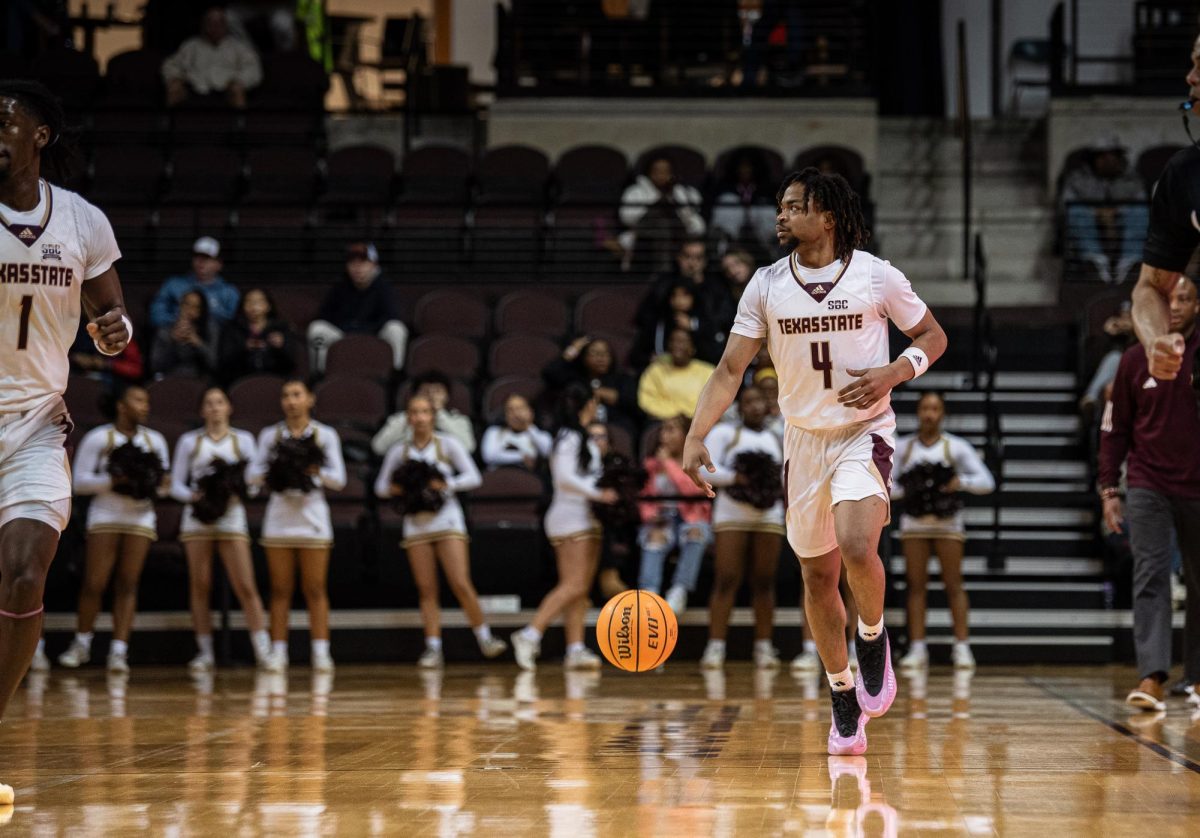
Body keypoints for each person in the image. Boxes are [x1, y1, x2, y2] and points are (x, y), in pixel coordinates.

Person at [682, 167, 946, 756]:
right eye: (780, 206)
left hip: (863, 431)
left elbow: (931, 335)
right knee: (817, 577)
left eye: (795, 206)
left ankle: (873, 637)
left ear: (827, 216)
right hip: (801, 441)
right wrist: (698, 433)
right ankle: (841, 690)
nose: (782, 216)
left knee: (857, 545)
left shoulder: (877, 276)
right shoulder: (766, 284)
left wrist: (897, 370)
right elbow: (730, 370)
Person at [0, 80, 132, 806]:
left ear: (39, 135)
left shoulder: (81, 221)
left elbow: (112, 315)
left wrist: (117, 332)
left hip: (34, 427)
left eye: (4, 118)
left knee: (26, 571)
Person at [1100, 276, 1200, 712]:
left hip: (1198, 486)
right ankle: (1152, 677)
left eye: (1185, 297)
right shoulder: (1134, 361)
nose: (1174, 305)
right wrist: (1109, 488)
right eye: (1167, 297)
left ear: (1198, 305)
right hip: (1147, 484)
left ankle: (1196, 679)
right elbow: (1113, 428)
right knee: (1151, 578)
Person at [374, 394, 508, 667]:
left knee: (460, 582)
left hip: (447, 521)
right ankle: (433, 647)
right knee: (426, 589)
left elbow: (473, 477)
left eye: (424, 412)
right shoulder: (398, 452)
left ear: (432, 416)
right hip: (416, 523)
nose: (420, 417)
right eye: (414, 412)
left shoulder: (448, 445)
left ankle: (484, 638)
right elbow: (380, 486)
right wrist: (396, 489)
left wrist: (444, 484)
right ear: (408, 418)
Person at [59, 385, 170, 674]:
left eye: (147, 400)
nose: (145, 406)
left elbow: (164, 482)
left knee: (128, 584)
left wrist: (149, 483)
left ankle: (119, 651)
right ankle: (82, 644)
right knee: (94, 583)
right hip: (105, 516)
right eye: (138, 399)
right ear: (121, 406)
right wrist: (114, 481)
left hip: (140, 518)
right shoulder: (99, 438)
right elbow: (79, 482)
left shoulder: (155, 441)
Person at [510, 383, 620, 670]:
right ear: (585, 405)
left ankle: (575, 648)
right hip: (569, 516)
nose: (596, 407)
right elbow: (564, 479)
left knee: (581, 589)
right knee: (572, 585)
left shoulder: (582, 437)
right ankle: (529, 634)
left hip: (587, 517)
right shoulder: (568, 437)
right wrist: (600, 494)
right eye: (593, 402)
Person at [169, 387, 272, 672]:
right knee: (200, 585)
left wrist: (238, 490)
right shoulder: (191, 442)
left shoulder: (244, 440)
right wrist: (195, 497)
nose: (214, 408)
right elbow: (176, 484)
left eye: (219, 402)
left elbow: (253, 480)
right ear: (202, 410)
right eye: (209, 403)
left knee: (246, 585)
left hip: (231, 515)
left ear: (229, 408)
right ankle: (205, 652)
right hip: (198, 517)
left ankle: (263, 650)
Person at [247, 379, 346, 673]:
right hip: (279, 518)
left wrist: (313, 472)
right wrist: (276, 470)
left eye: (297, 395)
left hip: (313, 518)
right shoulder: (270, 435)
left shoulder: (324, 435)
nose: (291, 401)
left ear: (310, 400)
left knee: (315, 588)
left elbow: (338, 479)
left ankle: (321, 651)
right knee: (279, 589)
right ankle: (279, 651)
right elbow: (251, 474)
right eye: (286, 396)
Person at [891, 392, 995, 671]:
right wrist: (909, 489)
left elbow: (987, 482)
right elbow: (885, 486)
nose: (929, 414)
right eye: (925, 408)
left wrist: (959, 482)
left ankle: (962, 647)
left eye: (935, 408)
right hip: (914, 524)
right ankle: (917, 648)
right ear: (917, 412)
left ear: (943, 413)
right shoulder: (903, 447)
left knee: (953, 584)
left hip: (948, 525)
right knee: (916, 586)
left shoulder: (956, 447)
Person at [698, 385, 786, 670]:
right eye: (748, 401)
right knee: (726, 578)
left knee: (764, 581)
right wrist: (738, 478)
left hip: (769, 515)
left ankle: (764, 646)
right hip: (731, 514)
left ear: (768, 405)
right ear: (739, 407)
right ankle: (715, 646)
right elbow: (703, 470)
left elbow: (788, 472)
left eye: (759, 401)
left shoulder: (778, 435)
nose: (755, 407)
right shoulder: (724, 433)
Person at [1132, 35, 1200, 382]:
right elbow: (1151, 288)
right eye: (1193, 63)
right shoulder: (1185, 173)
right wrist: (1155, 340)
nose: (1191, 77)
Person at [636, 414, 712, 615]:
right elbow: (645, 495)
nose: (664, 435)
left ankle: (679, 591)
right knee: (654, 537)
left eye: (671, 430)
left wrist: (668, 464)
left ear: (686, 435)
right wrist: (649, 515)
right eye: (663, 430)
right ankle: (649, 595)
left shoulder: (695, 462)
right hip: (662, 518)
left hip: (691, 517)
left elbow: (692, 490)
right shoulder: (652, 464)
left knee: (695, 534)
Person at [306, 242, 408, 374]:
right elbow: (323, 316)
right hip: (343, 335)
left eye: (363, 262)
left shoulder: (384, 288)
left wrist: (364, 329)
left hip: (375, 335)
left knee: (396, 329)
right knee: (317, 330)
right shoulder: (340, 287)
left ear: (373, 265)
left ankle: (396, 374)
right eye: (353, 263)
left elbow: (392, 316)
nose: (357, 268)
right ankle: (319, 376)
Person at [1061, 137, 1149, 283]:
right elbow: (1064, 205)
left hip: (1122, 223)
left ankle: (1130, 263)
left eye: (1113, 155)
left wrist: (1116, 213)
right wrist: (1097, 213)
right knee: (1076, 212)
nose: (1108, 160)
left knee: (1140, 212)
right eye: (1102, 156)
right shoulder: (1078, 179)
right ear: (1092, 159)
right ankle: (1094, 261)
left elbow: (1141, 202)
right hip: (1090, 223)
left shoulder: (1132, 180)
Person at [162, 5, 263, 108]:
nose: (215, 27)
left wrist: (239, 81)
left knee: (237, 91)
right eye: (210, 22)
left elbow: (253, 69)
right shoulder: (191, 45)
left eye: (219, 23)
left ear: (225, 25)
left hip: (227, 90)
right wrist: (175, 78)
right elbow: (171, 64)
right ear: (204, 25)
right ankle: (167, 122)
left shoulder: (238, 47)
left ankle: (240, 123)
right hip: (195, 88)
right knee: (174, 88)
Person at [542, 336, 641, 439]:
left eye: (605, 353)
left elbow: (634, 403)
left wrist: (615, 397)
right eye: (594, 353)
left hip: (614, 431)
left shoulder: (622, 379)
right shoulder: (576, 378)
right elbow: (550, 374)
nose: (601, 358)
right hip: (580, 430)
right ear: (583, 357)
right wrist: (572, 350)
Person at [619, 158, 705, 274]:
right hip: (644, 238)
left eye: (666, 171)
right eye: (657, 171)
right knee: (662, 225)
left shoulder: (679, 191)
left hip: (678, 234)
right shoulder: (636, 191)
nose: (661, 175)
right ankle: (663, 276)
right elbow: (626, 218)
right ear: (649, 172)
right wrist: (657, 203)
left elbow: (695, 222)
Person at [372, 370, 476, 457]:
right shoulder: (399, 418)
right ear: (415, 396)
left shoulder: (458, 420)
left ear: (447, 396)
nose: (431, 396)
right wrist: (410, 416)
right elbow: (379, 448)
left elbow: (468, 448)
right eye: (425, 391)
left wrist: (439, 414)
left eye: (437, 391)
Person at [149, 236, 240, 331]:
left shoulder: (229, 292)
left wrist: (202, 317)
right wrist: (177, 322)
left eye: (207, 258)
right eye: (197, 256)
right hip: (175, 335)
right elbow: (156, 315)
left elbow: (232, 324)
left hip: (212, 341)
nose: (201, 261)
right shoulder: (173, 285)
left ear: (219, 264)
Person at [632, 276, 725, 367]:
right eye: (674, 295)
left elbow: (716, 353)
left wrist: (693, 326)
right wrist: (650, 359)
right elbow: (636, 355)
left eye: (685, 295)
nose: (679, 300)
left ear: (694, 297)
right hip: (665, 373)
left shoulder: (705, 322)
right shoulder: (659, 323)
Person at [217, 286, 298, 385]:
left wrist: (281, 347)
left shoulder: (281, 328)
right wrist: (244, 348)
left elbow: (291, 363)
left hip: (276, 379)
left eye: (259, 301)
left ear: (268, 306)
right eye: (249, 301)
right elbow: (224, 363)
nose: (254, 306)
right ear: (243, 305)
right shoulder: (232, 329)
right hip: (240, 380)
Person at [637, 328, 716, 420]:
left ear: (692, 348)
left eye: (682, 341)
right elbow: (646, 401)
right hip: (662, 421)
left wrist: (691, 417)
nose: (676, 345)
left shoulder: (708, 371)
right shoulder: (655, 370)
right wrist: (674, 415)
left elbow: (714, 401)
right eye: (673, 341)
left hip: (699, 422)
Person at [150, 289, 217, 379]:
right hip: (169, 379)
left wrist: (197, 343)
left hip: (198, 380)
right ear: (180, 305)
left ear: (201, 311)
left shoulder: (209, 330)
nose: (189, 310)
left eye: (195, 307)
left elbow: (214, 363)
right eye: (186, 304)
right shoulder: (165, 331)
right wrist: (172, 340)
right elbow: (155, 365)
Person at [480, 393, 552, 471]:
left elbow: (547, 452)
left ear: (531, 412)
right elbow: (489, 456)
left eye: (520, 408)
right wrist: (521, 457)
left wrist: (528, 427)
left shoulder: (541, 435)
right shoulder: (494, 432)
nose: (516, 414)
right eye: (510, 410)